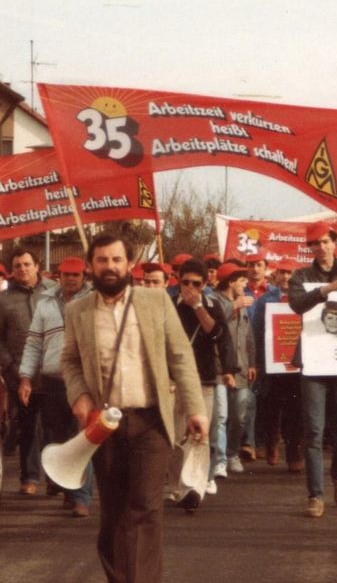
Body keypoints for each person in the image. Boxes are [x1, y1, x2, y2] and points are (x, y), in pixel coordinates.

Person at [58, 234, 206, 583]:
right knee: (113, 514)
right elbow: (70, 361)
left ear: (129, 265)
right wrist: (79, 397)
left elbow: (181, 356)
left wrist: (196, 408)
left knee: (145, 508)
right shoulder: (77, 311)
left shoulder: (155, 303)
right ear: (91, 265)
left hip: (151, 422)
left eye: (116, 260)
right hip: (104, 425)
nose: (109, 267)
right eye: (102, 260)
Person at [288, 221, 337, 519]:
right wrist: (327, 290)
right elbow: (297, 304)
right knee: (314, 430)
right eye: (315, 244)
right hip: (313, 361)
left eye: (326, 241)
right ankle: (315, 494)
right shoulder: (301, 276)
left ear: (335, 242)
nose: (321, 248)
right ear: (310, 248)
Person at [18, 256, 95, 518]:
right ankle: (67, 488)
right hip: (53, 379)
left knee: (83, 437)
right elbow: (33, 343)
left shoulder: (94, 301)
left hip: (85, 379)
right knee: (57, 437)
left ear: (84, 276)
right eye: (67, 275)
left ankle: (81, 497)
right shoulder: (46, 303)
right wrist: (26, 377)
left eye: (76, 275)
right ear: (58, 276)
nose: (71, 279)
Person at [0, 247, 58, 495]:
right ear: (12, 270)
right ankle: (30, 477)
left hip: (52, 372)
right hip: (20, 374)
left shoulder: (53, 292)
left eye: (27, 264)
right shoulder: (4, 300)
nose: (23, 269)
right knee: (28, 426)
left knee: (54, 427)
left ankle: (55, 478)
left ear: (37, 266)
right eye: (18, 266)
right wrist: (9, 364)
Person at [168, 259, 237, 509]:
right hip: (173, 380)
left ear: (205, 284)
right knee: (175, 437)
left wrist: (198, 307)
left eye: (195, 284)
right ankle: (178, 487)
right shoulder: (169, 305)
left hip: (203, 379)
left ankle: (194, 488)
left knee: (200, 435)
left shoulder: (211, 305)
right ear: (177, 280)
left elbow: (218, 335)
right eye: (184, 282)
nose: (189, 287)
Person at [249, 253, 301, 471]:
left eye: (290, 273)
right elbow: (256, 333)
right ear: (276, 275)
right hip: (272, 364)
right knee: (271, 407)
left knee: (295, 410)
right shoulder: (265, 301)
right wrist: (258, 362)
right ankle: (272, 443)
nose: (286, 277)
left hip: (297, 364)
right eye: (283, 272)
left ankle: (293, 454)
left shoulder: (304, 298)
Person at [217, 264, 257, 475]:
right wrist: (233, 305)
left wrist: (252, 362)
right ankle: (220, 458)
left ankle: (232, 452)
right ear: (231, 282)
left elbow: (248, 336)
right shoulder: (215, 299)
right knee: (221, 417)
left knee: (239, 415)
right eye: (241, 280)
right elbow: (213, 321)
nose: (245, 284)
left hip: (240, 369)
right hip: (220, 369)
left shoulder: (243, 305)